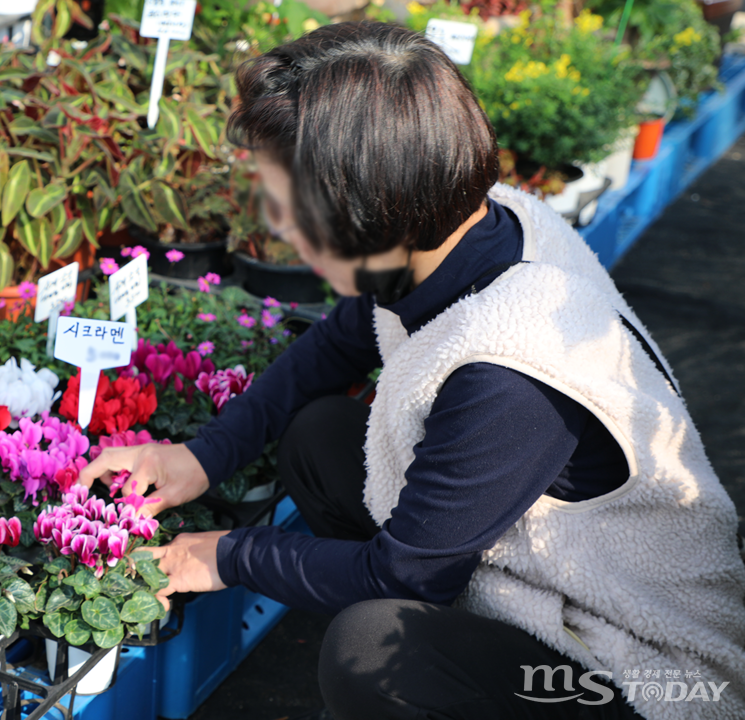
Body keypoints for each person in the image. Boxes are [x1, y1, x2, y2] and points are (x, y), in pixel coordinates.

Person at [79, 21, 745, 720]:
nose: (276, 229)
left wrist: (224, 556)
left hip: (643, 665)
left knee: (372, 653)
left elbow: (404, 575)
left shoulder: (508, 370)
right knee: (323, 434)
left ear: (364, 213)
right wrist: (201, 455)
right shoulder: (473, 229)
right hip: (538, 579)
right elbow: (332, 349)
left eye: (289, 207)